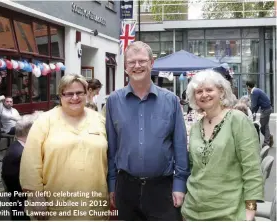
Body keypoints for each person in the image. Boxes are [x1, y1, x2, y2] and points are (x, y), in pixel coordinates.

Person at [106, 41, 190, 220]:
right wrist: (112, 185)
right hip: (126, 188)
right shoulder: (114, 101)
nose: (137, 66)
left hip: (162, 189)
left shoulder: (171, 101)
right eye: (132, 62)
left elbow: (180, 146)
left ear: (152, 63)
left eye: (142, 61)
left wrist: (179, 185)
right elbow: (112, 149)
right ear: (125, 67)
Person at [19, 74, 109, 220]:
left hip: (94, 206)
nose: (75, 97)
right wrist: (36, 197)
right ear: (60, 95)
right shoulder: (44, 121)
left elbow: (111, 157)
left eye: (79, 92)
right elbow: (30, 163)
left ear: (87, 93)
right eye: (69, 93)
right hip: (55, 207)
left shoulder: (99, 120)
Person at [181, 70, 264, 221]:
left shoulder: (238, 120)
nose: (204, 94)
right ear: (194, 97)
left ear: (221, 91)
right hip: (192, 211)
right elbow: (194, 169)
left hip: (229, 212)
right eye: (199, 91)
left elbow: (252, 168)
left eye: (209, 89)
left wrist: (250, 210)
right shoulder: (195, 128)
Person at [1, 112, 41, 221]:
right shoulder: (20, 153)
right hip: (22, 204)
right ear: (30, 132)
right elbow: (19, 186)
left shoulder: (17, 146)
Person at [246, 80, 274, 147]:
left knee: (262, 127)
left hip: (266, 110)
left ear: (248, 87)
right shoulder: (256, 90)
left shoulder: (254, 92)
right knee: (265, 126)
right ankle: (268, 140)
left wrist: (249, 113)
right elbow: (256, 105)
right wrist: (253, 113)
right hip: (266, 109)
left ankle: (267, 141)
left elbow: (254, 105)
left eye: (246, 86)